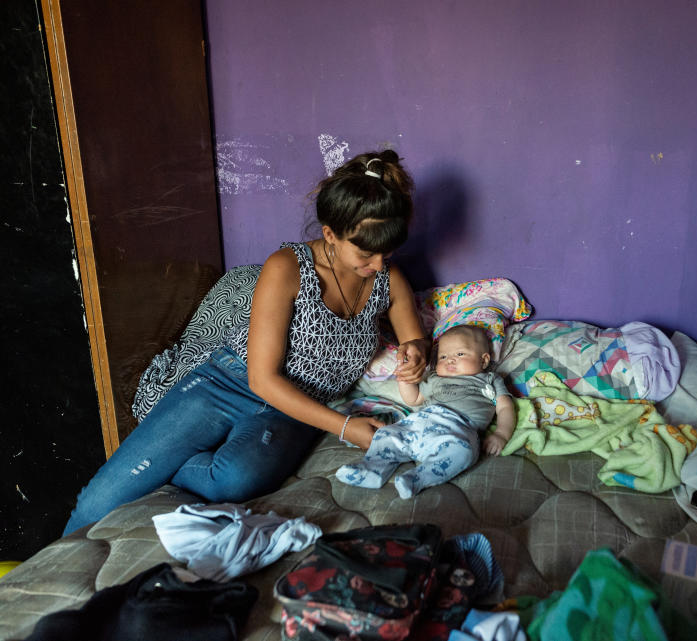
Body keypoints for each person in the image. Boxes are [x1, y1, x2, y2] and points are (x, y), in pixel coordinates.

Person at [63, 150, 430, 535]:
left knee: (234, 481)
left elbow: (415, 338)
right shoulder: (287, 267)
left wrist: (416, 353)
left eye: (386, 254)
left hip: (294, 410)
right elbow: (261, 380)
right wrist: (345, 428)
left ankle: (164, 463)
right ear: (330, 234)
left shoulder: (388, 280)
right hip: (230, 383)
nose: (377, 264)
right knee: (97, 503)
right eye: (366, 253)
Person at [336, 325, 516, 499]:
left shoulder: (489, 380)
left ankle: (417, 479)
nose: (450, 360)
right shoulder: (436, 379)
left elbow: (505, 407)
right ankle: (372, 469)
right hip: (421, 422)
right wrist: (403, 378)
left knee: (464, 453)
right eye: (443, 356)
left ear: (483, 360)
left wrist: (502, 433)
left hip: (459, 429)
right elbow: (413, 399)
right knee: (386, 435)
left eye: (460, 354)